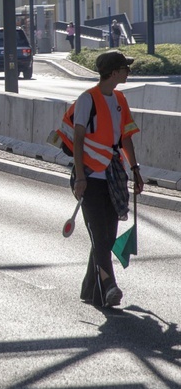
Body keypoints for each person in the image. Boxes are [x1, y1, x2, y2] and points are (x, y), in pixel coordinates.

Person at [57, 51, 143, 308]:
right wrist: (81, 177)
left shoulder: (119, 99)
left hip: (113, 176)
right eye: (125, 68)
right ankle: (109, 287)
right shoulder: (87, 99)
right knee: (100, 235)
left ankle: (91, 290)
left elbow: (125, 137)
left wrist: (135, 169)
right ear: (114, 72)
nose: (128, 72)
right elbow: (79, 140)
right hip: (90, 178)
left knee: (107, 234)